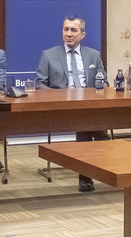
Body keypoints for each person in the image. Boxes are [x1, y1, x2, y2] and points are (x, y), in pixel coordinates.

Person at [35, 15, 106, 192]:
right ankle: (104, 152)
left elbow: (103, 81)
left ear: (82, 34)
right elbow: (39, 84)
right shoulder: (49, 55)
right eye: (65, 29)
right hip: (63, 106)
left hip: (89, 105)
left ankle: (88, 174)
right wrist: (59, 95)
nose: (68, 34)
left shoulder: (93, 55)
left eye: (73, 30)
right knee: (86, 123)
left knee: (85, 121)